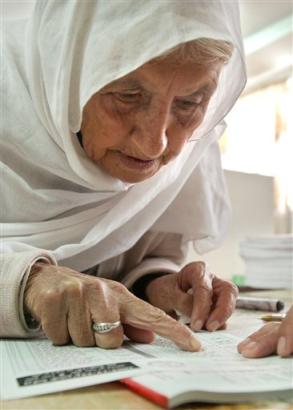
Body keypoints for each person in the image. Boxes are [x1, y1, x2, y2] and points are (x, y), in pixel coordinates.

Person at [0, 0, 246, 351]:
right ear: (67, 75)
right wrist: (23, 282)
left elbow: (138, 252)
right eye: (128, 96)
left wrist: (157, 283)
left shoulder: (191, 147)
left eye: (189, 103)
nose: (154, 144)